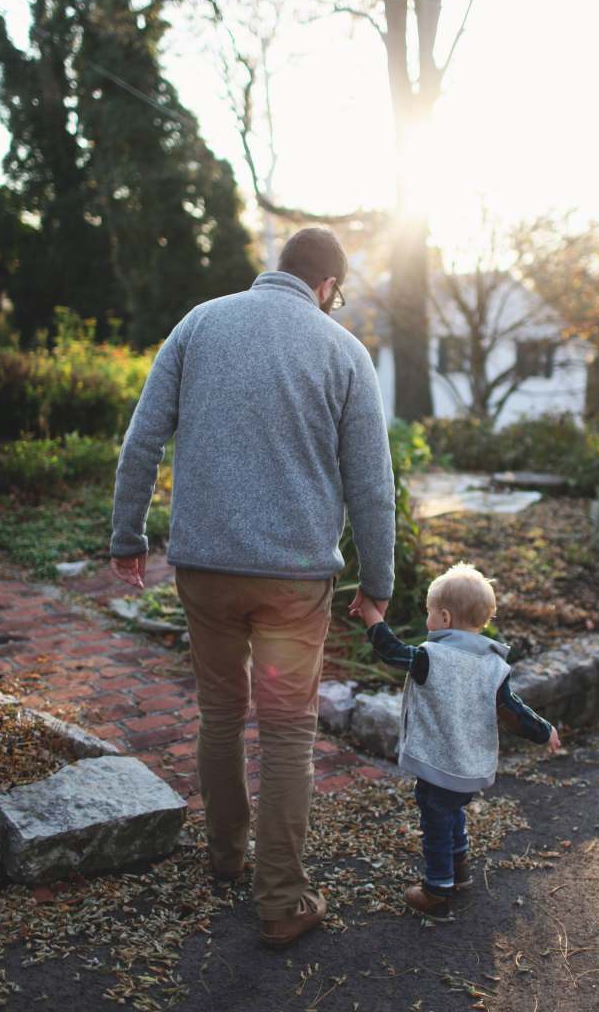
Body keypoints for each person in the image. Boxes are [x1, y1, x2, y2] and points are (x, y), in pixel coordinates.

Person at [109, 227, 395, 948]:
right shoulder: (344, 352)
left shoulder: (201, 324)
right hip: (295, 582)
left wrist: (127, 539)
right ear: (328, 285)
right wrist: (379, 585)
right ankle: (283, 899)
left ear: (281, 269)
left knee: (219, 712)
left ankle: (225, 858)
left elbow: (143, 439)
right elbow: (372, 487)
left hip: (205, 570)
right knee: (288, 733)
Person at [351, 562, 560, 916]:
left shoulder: (432, 657)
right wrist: (544, 730)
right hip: (468, 767)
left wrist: (371, 615)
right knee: (452, 813)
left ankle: (437, 891)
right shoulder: (493, 665)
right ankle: (459, 869)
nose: (427, 621)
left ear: (444, 618)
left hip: (438, 763)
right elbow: (512, 709)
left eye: (429, 614)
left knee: (435, 821)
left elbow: (391, 650)